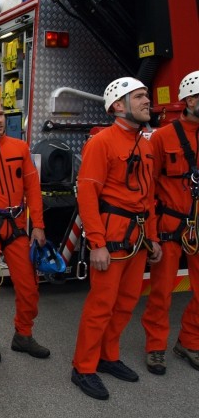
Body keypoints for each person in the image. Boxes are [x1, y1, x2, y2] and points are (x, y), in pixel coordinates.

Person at [71, 77, 162, 400]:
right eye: (139, 97)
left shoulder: (147, 144)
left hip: (138, 238)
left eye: (146, 96)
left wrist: (153, 238)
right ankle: (83, 367)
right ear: (118, 106)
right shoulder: (101, 142)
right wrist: (96, 242)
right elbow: (88, 195)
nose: (146, 101)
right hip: (111, 237)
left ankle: (108, 357)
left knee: (125, 304)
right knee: (101, 305)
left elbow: (149, 196)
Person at [0, 99, 50, 363]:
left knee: (28, 286)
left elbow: (32, 188)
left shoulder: (20, 147)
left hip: (16, 224)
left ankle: (23, 335)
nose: (0, 119)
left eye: (2, 114)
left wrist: (38, 224)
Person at [141, 70, 199, 374]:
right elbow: (148, 187)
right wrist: (151, 232)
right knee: (162, 291)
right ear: (190, 100)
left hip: (197, 226)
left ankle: (189, 340)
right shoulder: (163, 137)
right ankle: (155, 347)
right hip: (170, 226)